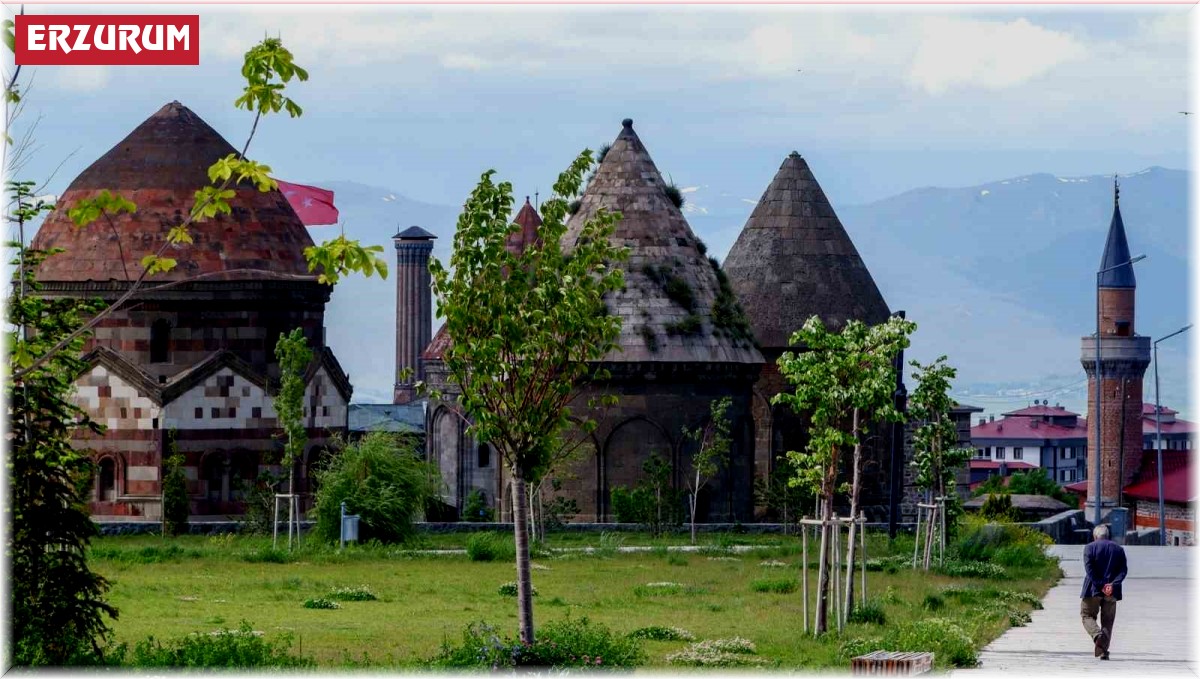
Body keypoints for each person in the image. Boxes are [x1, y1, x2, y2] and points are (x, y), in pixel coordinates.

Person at [1080, 523, 1128, 660]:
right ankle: (1103, 650)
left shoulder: (1089, 548)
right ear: (1108, 536)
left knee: (1087, 615)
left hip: (1092, 590)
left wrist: (1101, 585)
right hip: (1112, 591)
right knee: (1108, 621)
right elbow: (1123, 570)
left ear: (1095, 536)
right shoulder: (1119, 549)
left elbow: (1090, 571)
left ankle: (1097, 635)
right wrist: (1112, 584)